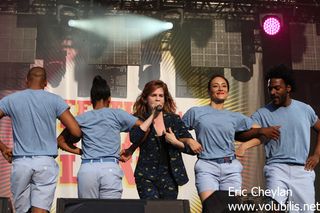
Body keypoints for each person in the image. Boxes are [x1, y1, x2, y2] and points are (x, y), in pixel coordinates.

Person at [181, 75, 280, 203]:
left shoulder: (235, 117)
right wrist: (189, 140)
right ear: (209, 91)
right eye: (215, 86)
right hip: (207, 167)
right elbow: (177, 132)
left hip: (230, 169)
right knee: (211, 208)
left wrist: (244, 146)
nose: (220, 88)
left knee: (230, 209)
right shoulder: (196, 112)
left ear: (227, 92)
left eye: (224, 86)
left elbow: (262, 133)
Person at [57, 75, 158, 199]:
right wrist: (131, 149)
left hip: (88, 169)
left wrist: (81, 152)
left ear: (91, 99)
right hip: (110, 168)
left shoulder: (82, 118)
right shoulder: (117, 114)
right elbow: (145, 127)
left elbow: (60, 142)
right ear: (109, 99)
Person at [0, 67, 81, 213]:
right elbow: (76, 130)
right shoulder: (55, 100)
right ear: (45, 82)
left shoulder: (11, 100)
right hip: (45, 162)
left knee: (21, 211)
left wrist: (3, 147)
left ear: (26, 81)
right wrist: (61, 140)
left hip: (21, 162)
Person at [240, 64, 320, 212]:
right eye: (270, 88)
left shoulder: (305, 109)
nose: (272, 92)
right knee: (273, 208)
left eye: (277, 88)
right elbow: (241, 134)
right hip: (276, 168)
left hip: (302, 170)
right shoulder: (262, 113)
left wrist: (316, 155)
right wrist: (261, 131)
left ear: (288, 88)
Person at [121, 80, 202, 199]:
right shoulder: (138, 119)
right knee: (152, 209)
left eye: (161, 95)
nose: (158, 99)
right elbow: (134, 138)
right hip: (146, 176)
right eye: (153, 95)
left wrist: (176, 142)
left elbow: (191, 149)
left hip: (170, 176)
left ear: (165, 99)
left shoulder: (173, 119)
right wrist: (152, 116)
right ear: (146, 98)